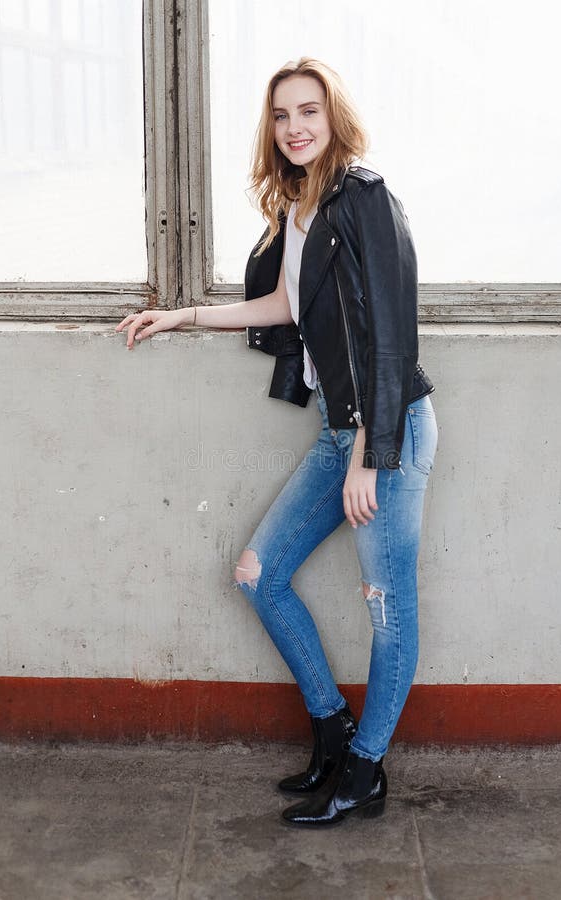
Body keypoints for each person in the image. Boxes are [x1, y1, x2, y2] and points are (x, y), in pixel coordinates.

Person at [116, 57, 438, 828]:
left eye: (309, 112)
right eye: (283, 116)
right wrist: (183, 316)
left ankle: (365, 775)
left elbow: (392, 336)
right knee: (259, 574)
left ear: (334, 119)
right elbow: (283, 305)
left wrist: (369, 453)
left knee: (387, 607)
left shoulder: (363, 198)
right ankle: (333, 734)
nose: (295, 127)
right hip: (337, 429)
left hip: (384, 432)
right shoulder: (300, 207)